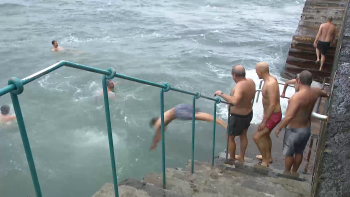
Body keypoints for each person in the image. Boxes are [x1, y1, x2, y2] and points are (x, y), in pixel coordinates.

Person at [275, 70, 329, 173]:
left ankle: (287, 172)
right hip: (306, 128)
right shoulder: (316, 91)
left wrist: (279, 127)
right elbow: (325, 94)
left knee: (289, 153)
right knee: (299, 152)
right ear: (311, 81)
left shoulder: (296, 97)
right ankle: (294, 172)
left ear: (298, 81)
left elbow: (289, 116)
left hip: (293, 130)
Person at [214, 65, 256, 162]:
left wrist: (221, 93)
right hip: (248, 113)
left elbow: (235, 101)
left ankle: (232, 159)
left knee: (229, 137)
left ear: (234, 75)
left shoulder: (239, 86)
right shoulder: (251, 82)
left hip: (238, 117)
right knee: (243, 135)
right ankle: (241, 156)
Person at [150, 104, 227, 150]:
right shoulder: (162, 117)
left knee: (202, 117)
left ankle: (225, 126)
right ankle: (224, 123)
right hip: (181, 106)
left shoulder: (158, 124)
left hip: (177, 112)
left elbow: (157, 136)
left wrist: (154, 145)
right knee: (201, 115)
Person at [254, 62, 282, 167]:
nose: (256, 74)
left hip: (272, 116)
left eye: (257, 72)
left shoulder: (270, 84)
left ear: (260, 71)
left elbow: (272, 104)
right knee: (265, 135)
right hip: (269, 115)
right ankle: (268, 157)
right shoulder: (271, 79)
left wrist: (264, 121)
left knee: (257, 137)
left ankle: (265, 161)